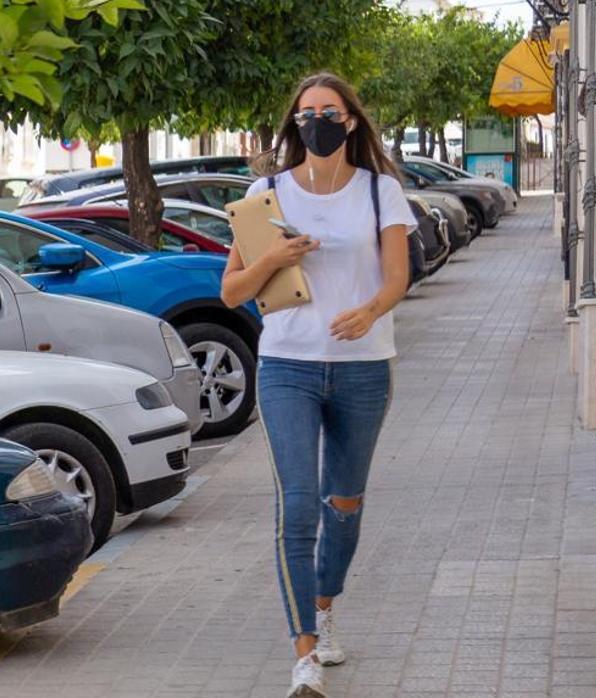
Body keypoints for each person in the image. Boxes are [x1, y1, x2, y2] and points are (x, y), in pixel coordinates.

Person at [221, 72, 415, 698]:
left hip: (363, 368)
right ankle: (304, 651)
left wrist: (371, 310)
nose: (318, 122)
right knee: (298, 504)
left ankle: (326, 607)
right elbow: (232, 292)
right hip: (287, 365)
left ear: (351, 120)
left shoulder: (381, 192)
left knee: (346, 504)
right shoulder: (266, 193)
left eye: (329, 112)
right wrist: (275, 259)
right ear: (294, 122)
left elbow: (396, 278)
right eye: (306, 113)